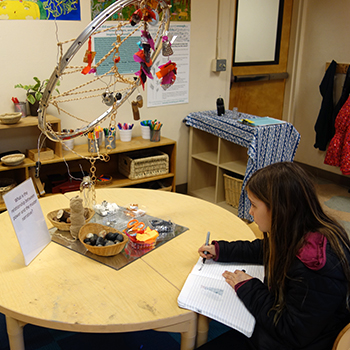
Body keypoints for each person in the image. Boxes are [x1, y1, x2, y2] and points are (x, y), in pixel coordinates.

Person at [198, 162, 350, 350]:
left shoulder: (314, 264)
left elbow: (291, 331)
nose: (250, 212)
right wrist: (221, 250)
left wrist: (248, 287)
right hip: (297, 328)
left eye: (254, 205)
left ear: (279, 209)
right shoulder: (300, 229)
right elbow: (264, 249)